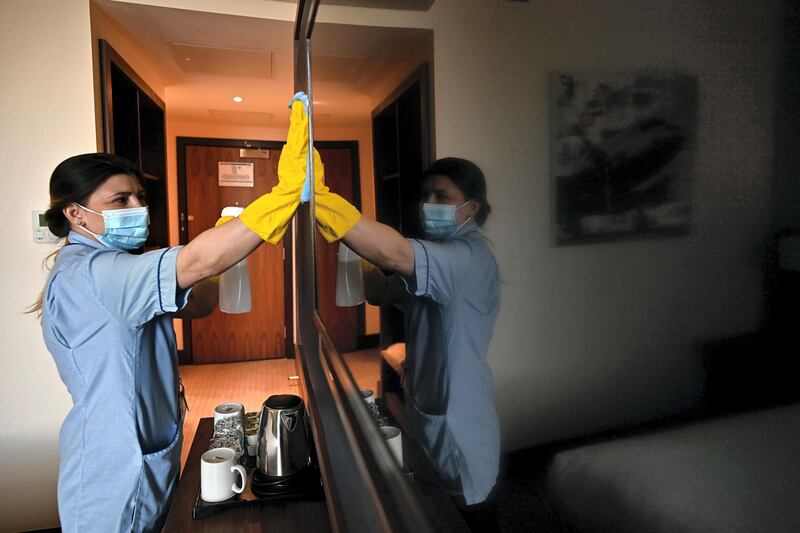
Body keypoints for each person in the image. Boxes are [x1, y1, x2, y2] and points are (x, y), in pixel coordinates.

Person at [32, 99, 312, 532]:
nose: (137, 207)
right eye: (120, 199)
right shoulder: (96, 272)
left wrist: (223, 251)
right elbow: (196, 263)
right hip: (115, 470)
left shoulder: (115, 267)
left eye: (138, 197)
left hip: (141, 453)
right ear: (74, 213)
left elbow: (198, 303)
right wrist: (283, 197)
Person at [314, 155, 501, 510]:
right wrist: (359, 252)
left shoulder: (467, 257)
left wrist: (326, 205)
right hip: (429, 403)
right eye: (425, 195)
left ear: (471, 208)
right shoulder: (442, 254)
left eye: (442, 197)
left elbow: (398, 254)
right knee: (436, 500)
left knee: (466, 511)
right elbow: (380, 294)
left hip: (459, 420)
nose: (428, 205)